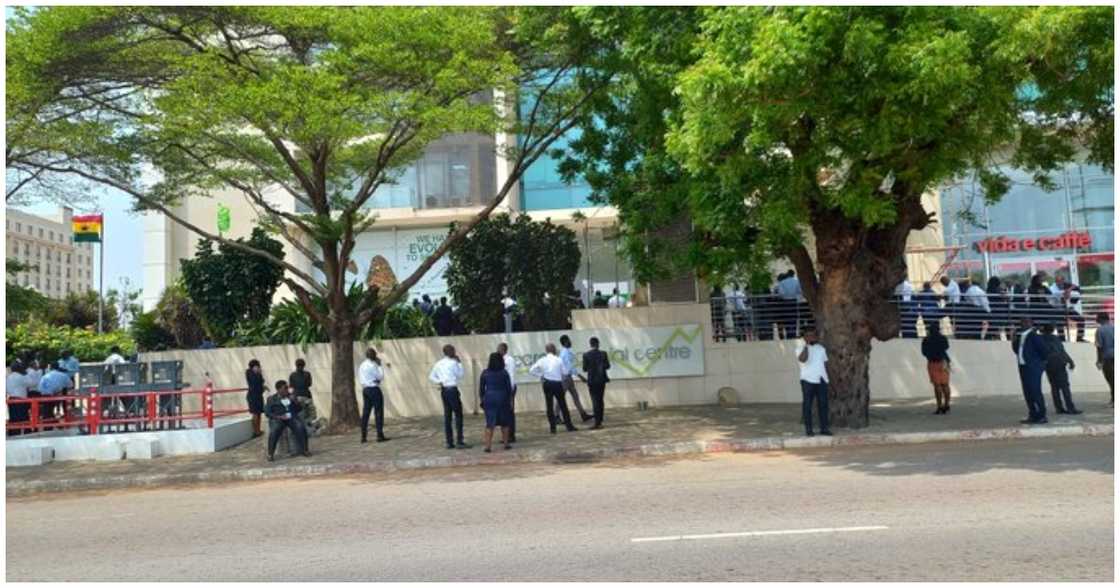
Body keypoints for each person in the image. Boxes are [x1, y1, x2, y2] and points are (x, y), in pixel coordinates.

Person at [529, 343, 577, 434]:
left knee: (549, 405)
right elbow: (565, 372)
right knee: (563, 404)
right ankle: (569, 426)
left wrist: (541, 375)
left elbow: (531, 370)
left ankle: (553, 428)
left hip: (547, 383)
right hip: (557, 383)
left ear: (546, 350)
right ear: (554, 350)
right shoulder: (558, 360)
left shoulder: (542, 360)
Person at [429, 344, 470, 449]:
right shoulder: (454, 363)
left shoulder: (439, 363)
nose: (455, 352)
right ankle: (459, 440)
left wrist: (440, 381)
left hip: (444, 391)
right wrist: (459, 363)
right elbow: (460, 375)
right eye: (453, 350)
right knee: (458, 415)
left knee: (447, 416)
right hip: (452, 389)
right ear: (449, 352)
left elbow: (431, 376)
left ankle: (449, 441)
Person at [1011, 318, 1050, 424]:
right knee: (1027, 392)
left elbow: (1045, 351)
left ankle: (1042, 415)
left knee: (1035, 391)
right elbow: (1016, 350)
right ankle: (1032, 415)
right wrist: (1013, 339)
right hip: (1023, 367)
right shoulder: (1021, 336)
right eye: (1021, 322)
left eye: (1025, 322)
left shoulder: (1034, 336)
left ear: (1031, 324)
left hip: (1033, 368)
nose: (1022, 324)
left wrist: (1040, 364)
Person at [796, 329, 831, 436]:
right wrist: (806, 346)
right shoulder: (799, 349)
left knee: (823, 405)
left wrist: (826, 378)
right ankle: (809, 429)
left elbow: (824, 364)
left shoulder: (821, 349)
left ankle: (824, 429)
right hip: (807, 380)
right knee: (807, 405)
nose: (811, 337)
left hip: (821, 380)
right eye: (808, 335)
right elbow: (803, 359)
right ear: (804, 338)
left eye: (813, 335)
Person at [265, 380, 310, 461]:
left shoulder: (291, 396)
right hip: (278, 419)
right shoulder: (271, 399)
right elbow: (268, 413)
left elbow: (299, 409)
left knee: (300, 427)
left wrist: (295, 401)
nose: (287, 390)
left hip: (291, 418)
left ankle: (305, 450)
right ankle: (270, 454)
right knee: (274, 430)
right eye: (285, 388)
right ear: (278, 389)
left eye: (287, 388)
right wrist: (279, 417)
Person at [1039, 324, 1080, 415]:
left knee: (1054, 387)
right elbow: (1061, 351)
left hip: (1048, 365)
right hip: (1058, 363)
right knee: (1065, 387)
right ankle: (1070, 408)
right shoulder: (1055, 339)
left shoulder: (1040, 339)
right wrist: (1070, 361)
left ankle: (1059, 408)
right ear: (1053, 330)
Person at [478, 352, 514, 452]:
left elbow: (481, 389)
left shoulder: (485, 373)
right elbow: (508, 388)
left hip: (489, 398)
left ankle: (488, 446)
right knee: (505, 423)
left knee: (490, 423)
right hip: (502, 397)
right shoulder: (504, 372)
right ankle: (506, 444)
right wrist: (510, 400)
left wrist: (482, 399)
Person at [557, 335, 592, 423]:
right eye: (569, 340)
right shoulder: (565, 353)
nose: (571, 342)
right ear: (565, 342)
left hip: (568, 378)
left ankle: (583, 414)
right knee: (561, 397)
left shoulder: (566, 352)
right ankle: (556, 416)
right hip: (565, 378)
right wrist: (580, 376)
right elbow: (570, 367)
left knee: (575, 396)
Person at [359, 348, 389, 443]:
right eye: (375, 354)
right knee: (378, 412)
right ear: (372, 355)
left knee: (366, 413)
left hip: (365, 389)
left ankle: (363, 436)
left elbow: (362, 377)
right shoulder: (373, 365)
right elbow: (380, 377)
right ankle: (380, 435)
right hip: (374, 389)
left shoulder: (362, 365)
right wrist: (380, 365)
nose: (376, 356)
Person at [921, 322, 952, 414]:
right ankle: (947, 404)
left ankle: (939, 406)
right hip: (944, 362)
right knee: (945, 384)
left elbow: (924, 352)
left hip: (933, 363)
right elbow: (946, 347)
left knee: (937, 385)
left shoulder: (926, 340)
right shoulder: (943, 338)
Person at [581, 337, 611, 429]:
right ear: (598, 344)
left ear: (590, 344)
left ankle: (597, 423)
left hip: (592, 381)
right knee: (600, 400)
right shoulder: (603, 353)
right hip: (601, 380)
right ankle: (600, 420)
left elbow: (584, 369)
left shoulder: (586, 355)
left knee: (595, 401)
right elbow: (607, 366)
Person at [288, 358, 320, 434]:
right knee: (310, 414)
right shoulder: (307, 374)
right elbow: (309, 384)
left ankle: (302, 428)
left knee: (300, 414)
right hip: (306, 395)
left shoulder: (292, 375)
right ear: (304, 366)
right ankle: (306, 427)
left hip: (297, 395)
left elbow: (291, 385)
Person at [498, 343, 518, 443]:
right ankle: (506, 435)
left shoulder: (508, 360)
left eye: (499, 349)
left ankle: (511, 435)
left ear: (504, 350)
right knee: (504, 413)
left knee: (509, 412)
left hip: (508, 388)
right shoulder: (501, 360)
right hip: (503, 389)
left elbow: (511, 376)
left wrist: (509, 390)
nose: (498, 351)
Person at [6, 360, 31, 435]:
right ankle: (26, 433)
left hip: (11, 399)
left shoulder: (8, 377)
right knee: (24, 418)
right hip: (20, 400)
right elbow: (31, 383)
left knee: (13, 418)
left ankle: (13, 434)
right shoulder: (21, 377)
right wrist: (26, 374)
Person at [1096, 312, 1114, 406]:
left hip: (1108, 358)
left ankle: (1114, 400)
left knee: (1111, 379)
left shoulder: (1100, 330)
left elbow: (1099, 346)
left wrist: (1099, 361)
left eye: (1097, 318)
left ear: (1101, 319)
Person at [245, 359, 266, 437]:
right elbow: (253, 383)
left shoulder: (258, 373)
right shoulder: (249, 372)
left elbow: (261, 382)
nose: (259, 367)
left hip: (259, 395)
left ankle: (258, 429)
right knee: (255, 413)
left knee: (259, 413)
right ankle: (255, 431)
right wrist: (257, 373)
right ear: (254, 366)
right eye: (258, 366)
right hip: (252, 396)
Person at [985, 276, 1009, 340]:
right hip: (1000, 312)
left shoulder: (988, 290)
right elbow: (1005, 297)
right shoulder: (998, 290)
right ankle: (1002, 340)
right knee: (1001, 329)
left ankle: (992, 338)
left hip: (993, 312)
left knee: (993, 328)